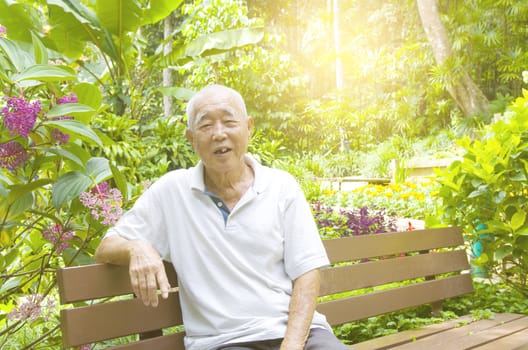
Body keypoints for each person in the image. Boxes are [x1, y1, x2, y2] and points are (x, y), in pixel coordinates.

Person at [95, 84, 348, 350]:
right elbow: (105, 248)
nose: (219, 134)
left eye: (229, 122)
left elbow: (307, 273)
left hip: (301, 337)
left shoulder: (281, 186)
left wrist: (292, 344)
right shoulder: (171, 192)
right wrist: (137, 247)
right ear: (191, 139)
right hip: (225, 342)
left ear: (249, 128)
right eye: (206, 126)